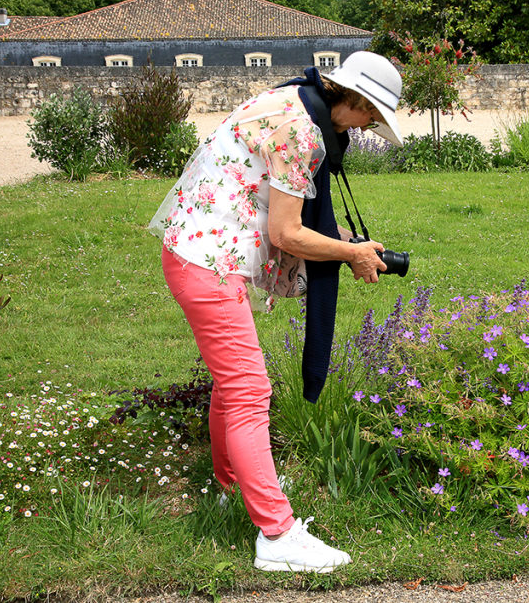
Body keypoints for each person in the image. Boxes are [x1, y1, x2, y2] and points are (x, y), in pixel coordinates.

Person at [147, 51, 403, 573]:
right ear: (352, 99)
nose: (370, 126)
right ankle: (277, 535)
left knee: (232, 387)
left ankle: (230, 488)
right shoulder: (302, 133)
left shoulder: (286, 98)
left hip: (193, 250)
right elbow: (285, 233)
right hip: (209, 263)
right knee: (248, 390)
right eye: (372, 115)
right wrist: (349, 253)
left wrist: (348, 244)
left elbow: (264, 198)